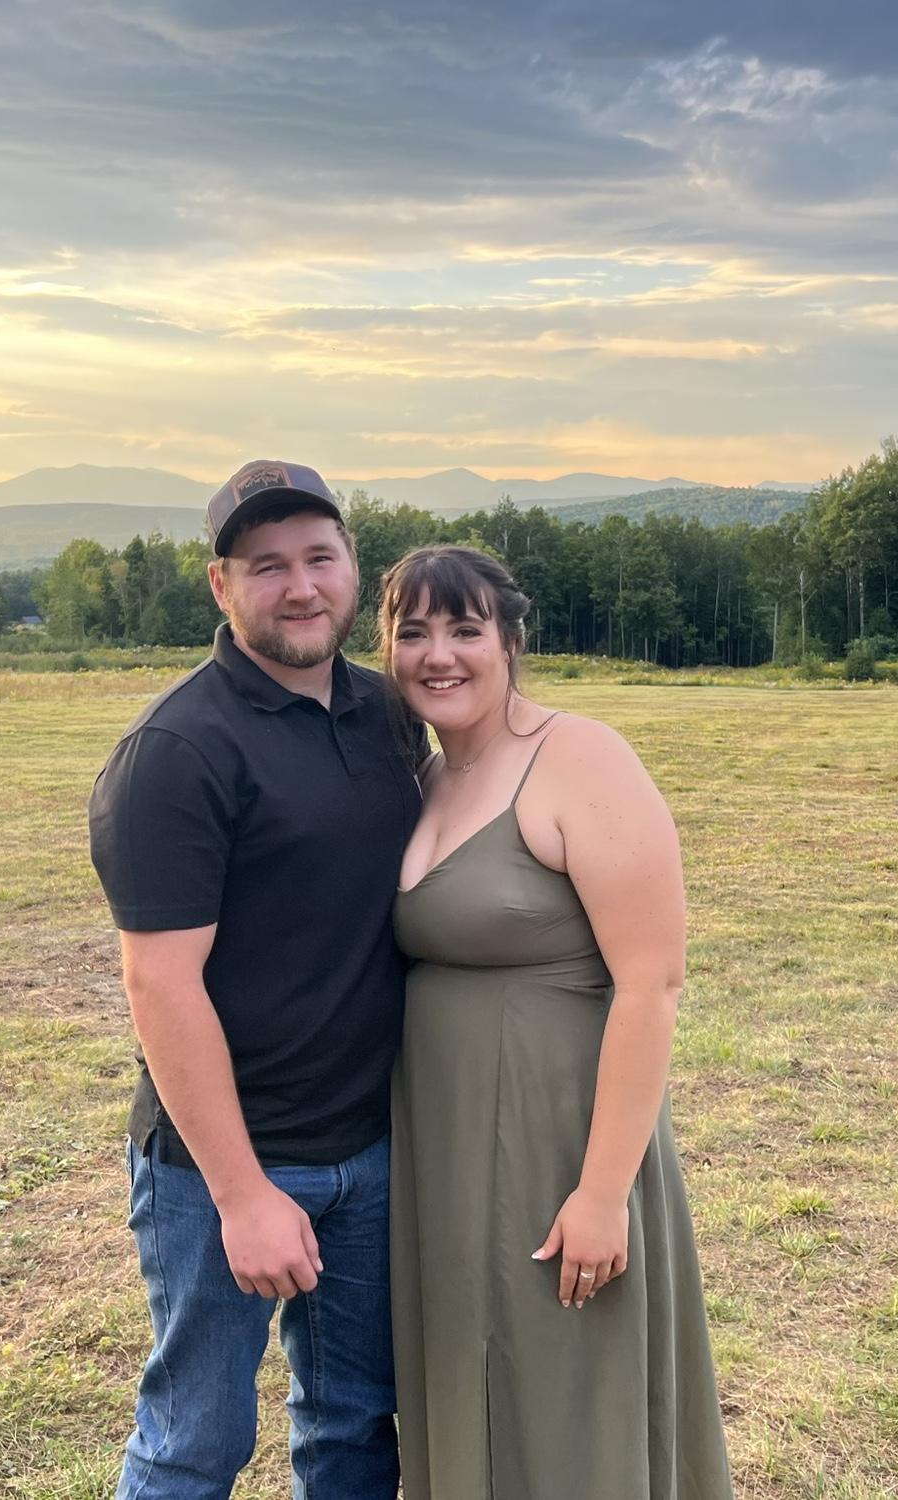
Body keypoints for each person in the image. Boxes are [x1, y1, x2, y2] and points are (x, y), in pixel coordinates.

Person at [87, 460, 421, 1500]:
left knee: (357, 1425)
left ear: (353, 567)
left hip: (371, 1151)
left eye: (320, 557)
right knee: (196, 1440)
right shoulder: (177, 750)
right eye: (267, 565)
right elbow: (161, 986)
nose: (301, 587)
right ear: (221, 585)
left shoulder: (386, 713)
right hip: (220, 1168)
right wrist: (243, 1197)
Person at [380, 545, 734, 1500]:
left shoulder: (580, 758)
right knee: (470, 1370)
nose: (438, 654)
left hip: (560, 1138)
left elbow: (651, 983)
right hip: (443, 1144)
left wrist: (603, 1192)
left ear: (510, 642)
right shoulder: (426, 776)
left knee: (567, 1385)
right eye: (413, 632)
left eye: (464, 629)